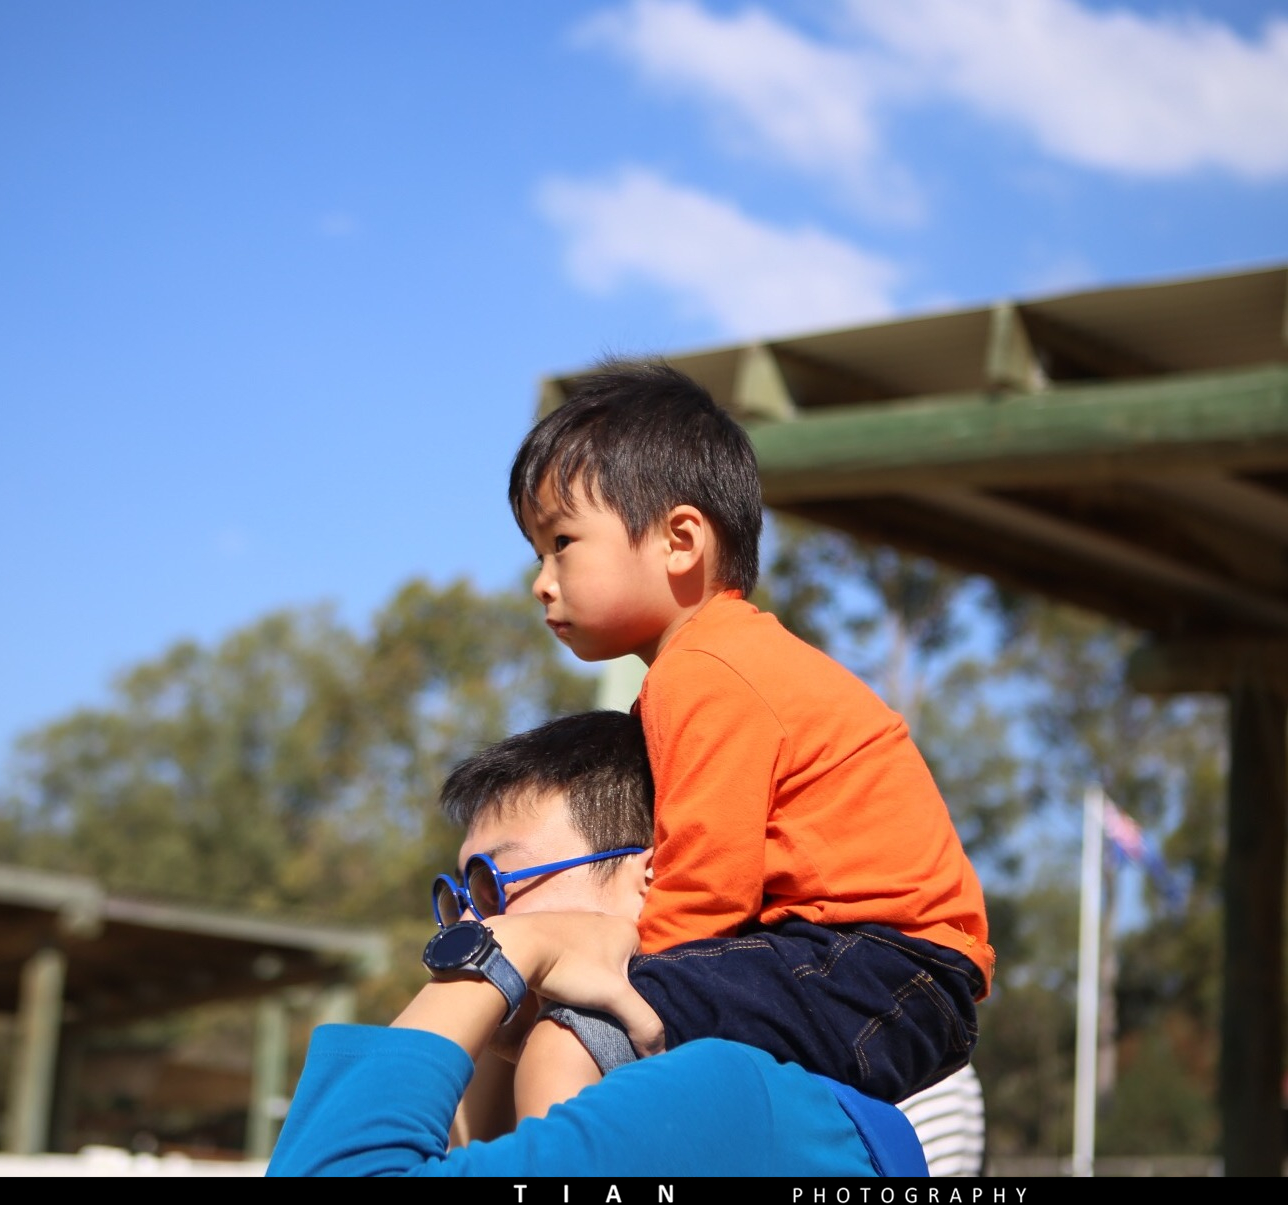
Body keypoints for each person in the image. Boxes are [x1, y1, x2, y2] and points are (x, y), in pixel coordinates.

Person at [504, 359, 994, 1117]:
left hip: (877, 964)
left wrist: (605, 963)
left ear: (679, 539)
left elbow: (705, 884)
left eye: (562, 541)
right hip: (868, 965)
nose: (541, 578)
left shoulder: (706, 671)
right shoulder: (711, 666)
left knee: (573, 1033)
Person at [265, 711, 925, 1176]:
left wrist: (506, 953)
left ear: (653, 879)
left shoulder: (721, 1095)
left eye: (493, 886)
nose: (471, 924)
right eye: (456, 899)